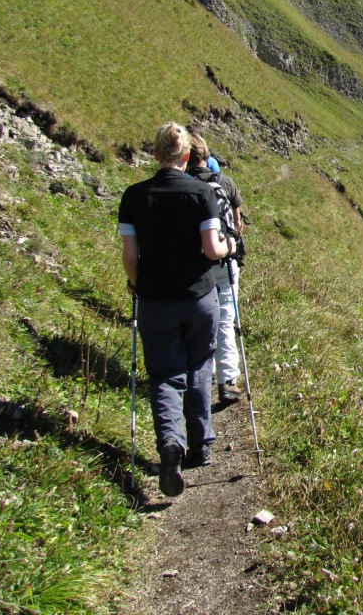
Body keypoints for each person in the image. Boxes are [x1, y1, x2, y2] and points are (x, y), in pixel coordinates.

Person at [118, 122, 235, 496]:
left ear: (155, 154)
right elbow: (212, 250)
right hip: (199, 297)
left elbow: (131, 256)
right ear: (187, 156)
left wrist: (136, 285)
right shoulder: (202, 192)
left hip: (155, 300)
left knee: (165, 374)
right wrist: (230, 248)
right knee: (200, 364)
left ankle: (171, 442)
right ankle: (201, 446)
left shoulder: (134, 196)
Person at [187, 133, 245, 404]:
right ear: (206, 156)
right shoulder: (225, 183)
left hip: (191, 264)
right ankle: (228, 381)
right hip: (224, 260)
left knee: (195, 320)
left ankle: (201, 374)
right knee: (224, 319)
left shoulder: (181, 186)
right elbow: (236, 223)